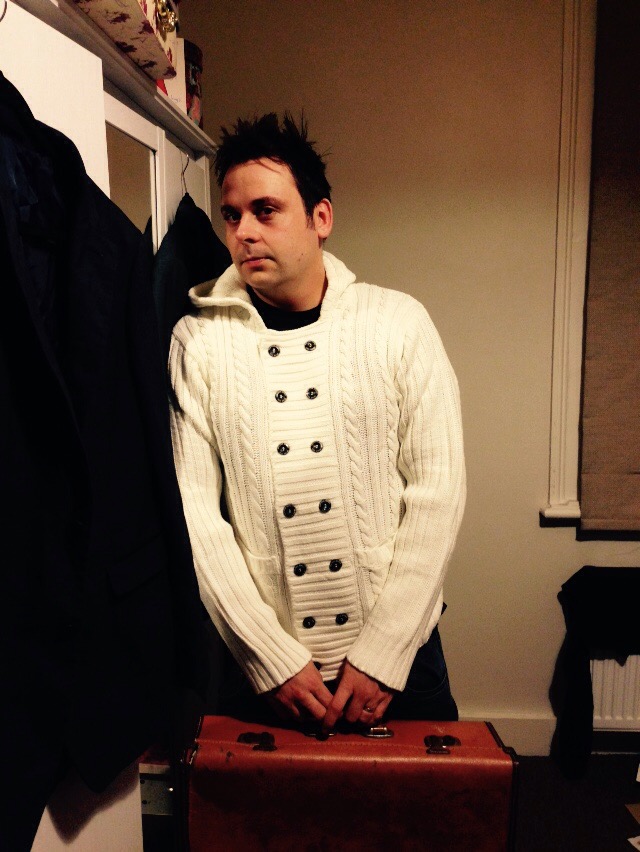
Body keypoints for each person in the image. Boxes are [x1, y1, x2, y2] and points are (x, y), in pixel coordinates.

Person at [169, 113, 466, 731]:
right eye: (232, 215)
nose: (245, 232)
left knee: (425, 795)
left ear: (320, 217)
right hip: (264, 669)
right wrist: (268, 657)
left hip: (401, 659)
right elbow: (197, 517)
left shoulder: (398, 323)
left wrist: (386, 651)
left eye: (266, 210)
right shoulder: (197, 342)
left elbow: (437, 495)